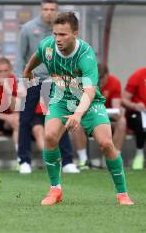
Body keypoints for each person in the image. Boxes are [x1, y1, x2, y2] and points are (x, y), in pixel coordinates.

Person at [23, 12, 134, 206]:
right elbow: (37, 55)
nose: (57, 39)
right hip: (61, 98)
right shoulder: (48, 46)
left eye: (63, 34)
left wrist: (78, 114)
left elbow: (90, 91)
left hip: (89, 102)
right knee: (49, 137)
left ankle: (122, 193)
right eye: (55, 34)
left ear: (76, 33)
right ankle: (55, 189)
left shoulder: (86, 55)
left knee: (106, 144)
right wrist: (27, 71)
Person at [16, 0, 78, 174]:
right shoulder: (28, 29)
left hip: (56, 80)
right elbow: (20, 57)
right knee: (25, 120)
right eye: (46, 9)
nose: (49, 12)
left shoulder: (62, 31)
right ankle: (24, 161)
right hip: (33, 80)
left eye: (52, 9)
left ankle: (67, 161)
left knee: (61, 118)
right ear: (41, 10)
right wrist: (21, 82)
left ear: (56, 11)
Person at [73, 64, 127, 169]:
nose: (100, 81)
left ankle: (114, 158)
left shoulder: (114, 82)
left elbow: (116, 107)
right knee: (76, 123)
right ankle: (83, 160)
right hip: (88, 117)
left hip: (107, 118)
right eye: (98, 78)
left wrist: (119, 112)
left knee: (122, 121)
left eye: (102, 78)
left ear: (107, 75)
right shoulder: (85, 84)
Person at [122, 67, 146, 170]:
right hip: (138, 112)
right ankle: (139, 153)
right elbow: (124, 99)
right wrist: (134, 105)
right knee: (140, 120)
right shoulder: (139, 74)